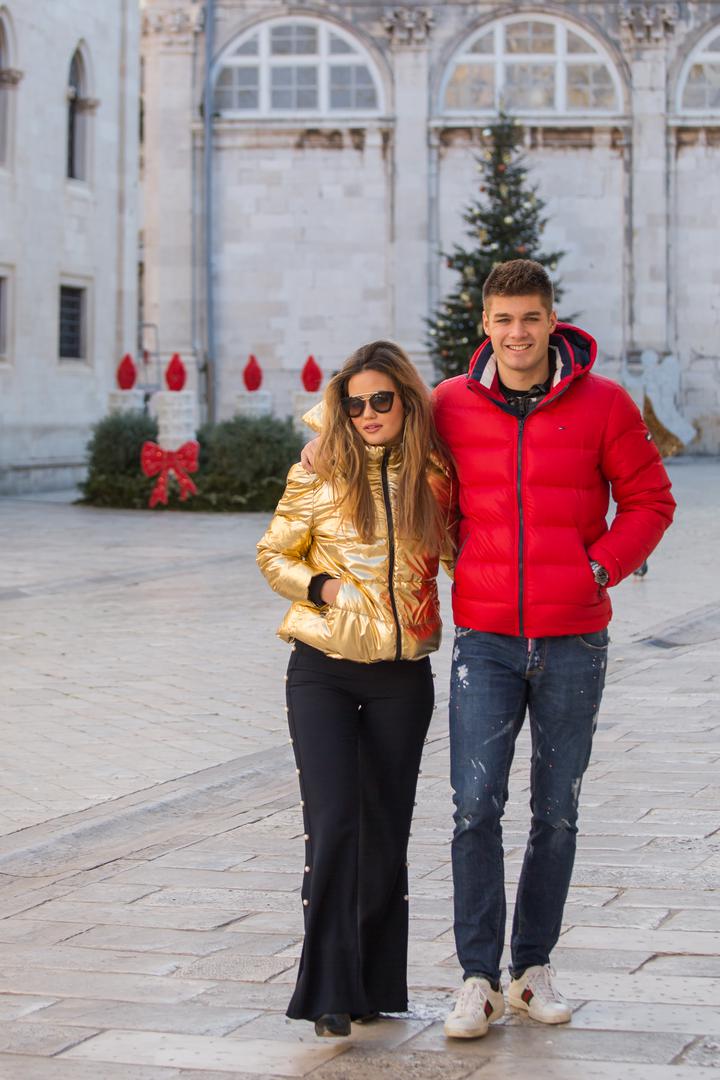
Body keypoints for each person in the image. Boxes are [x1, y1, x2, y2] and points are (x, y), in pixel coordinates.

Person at [432, 259, 676, 1038]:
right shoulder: (447, 404)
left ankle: (531, 970)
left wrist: (598, 567)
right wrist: (318, 453)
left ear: (551, 319)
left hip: (575, 638)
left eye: (530, 318)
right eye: (504, 320)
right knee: (474, 807)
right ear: (485, 324)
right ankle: (477, 978)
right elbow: (388, 462)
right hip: (485, 639)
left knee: (557, 811)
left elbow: (650, 499)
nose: (518, 334)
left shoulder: (604, 404)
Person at [257, 341, 455, 1038]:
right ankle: (327, 992)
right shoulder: (318, 471)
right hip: (323, 670)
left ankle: (371, 985)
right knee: (335, 821)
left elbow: (463, 550)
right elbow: (273, 553)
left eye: (381, 400)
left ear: (406, 402)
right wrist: (324, 588)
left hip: (403, 677)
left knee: (385, 831)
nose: (368, 413)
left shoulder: (435, 476)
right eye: (355, 403)